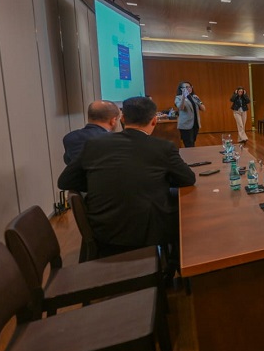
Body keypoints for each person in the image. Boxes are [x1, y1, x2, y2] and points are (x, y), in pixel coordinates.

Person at [58, 96, 196, 261]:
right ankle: (179, 267)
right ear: (154, 121)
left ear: (122, 119)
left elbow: (64, 181)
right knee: (186, 211)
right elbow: (187, 179)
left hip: (103, 230)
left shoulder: (94, 144)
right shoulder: (163, 147)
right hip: (147, 229)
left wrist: (104, 183)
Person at [174, 81, 206, 147]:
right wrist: (183, 96)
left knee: (192, 142)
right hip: (185, 125)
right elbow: (181, 107)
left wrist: (198, 100)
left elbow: (203, 109)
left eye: (190, 87)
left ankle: (192, 156)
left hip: (195, 124)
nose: (189, 88)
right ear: (181, 89)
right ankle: (190, 156)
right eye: (186, 87)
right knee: (189, 144)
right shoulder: (178, 98)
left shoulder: (194, 97)